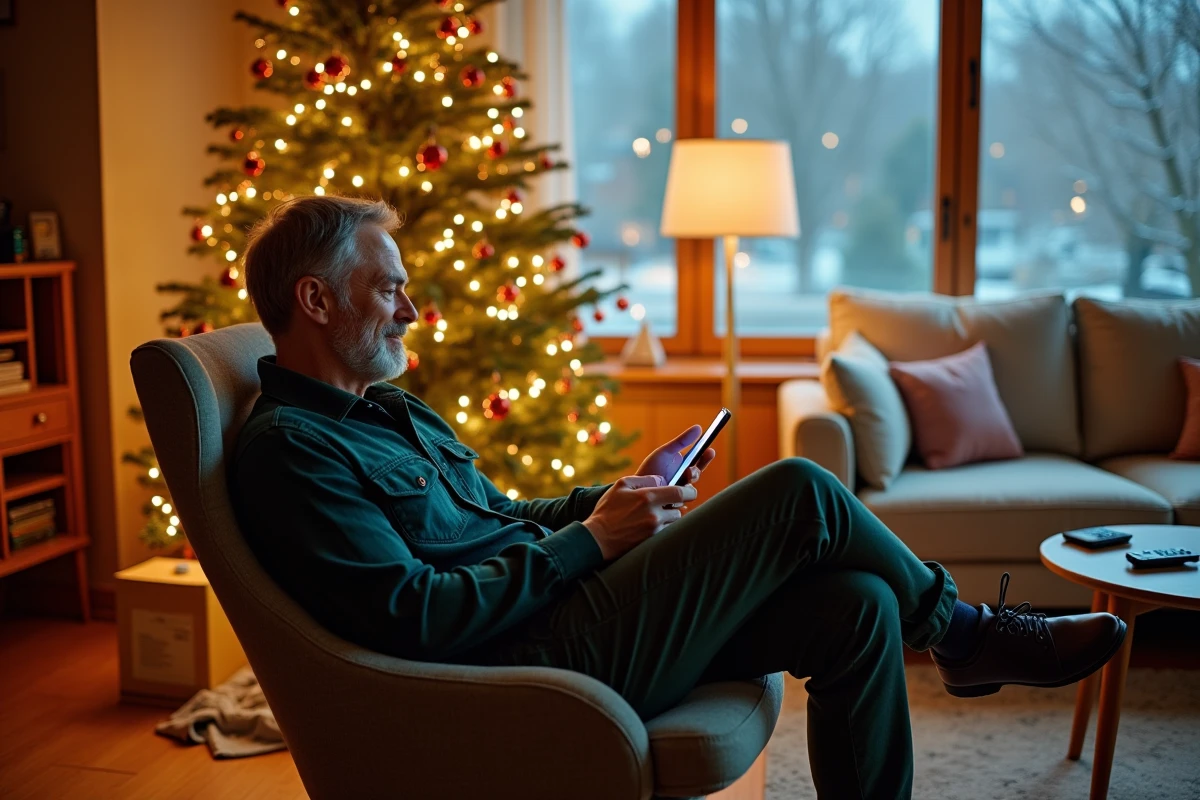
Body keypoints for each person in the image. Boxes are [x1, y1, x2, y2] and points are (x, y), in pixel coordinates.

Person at [230, 196, 1127, 799]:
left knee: (855, 607)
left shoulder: (389, 410)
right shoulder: (291, 451)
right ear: (316, 300)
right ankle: (964, 634)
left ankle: (955, 637)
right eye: (389, 289)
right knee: (801, 490)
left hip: (566, 611)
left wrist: (616, 498)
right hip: (526, 662)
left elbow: (497, 519)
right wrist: (591, 544)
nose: (410, 311)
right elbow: (414, 616)